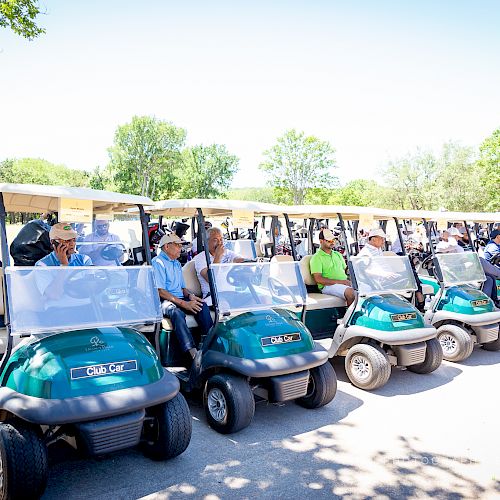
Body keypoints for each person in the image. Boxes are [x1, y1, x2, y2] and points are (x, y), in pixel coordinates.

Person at [152, 233, 213, 360]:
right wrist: (184, 303)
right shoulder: (158, 262)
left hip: (178, 298)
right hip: (163, 300)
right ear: (167, 247)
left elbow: (182, 288)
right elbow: (160, 291)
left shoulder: (176, 263)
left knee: (202, 306)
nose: (181, 248)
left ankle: (209, 344)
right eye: (178, 245)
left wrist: (190, 296)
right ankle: (191, 352)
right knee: (176, 313)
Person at [194, 227, 245, 303]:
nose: (219, 243)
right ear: (206, 242)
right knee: (225, 304)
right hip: (213, 296)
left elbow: (240, 260)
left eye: (221, 239)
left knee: (262, 299)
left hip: (231, 294)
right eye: (215, 240)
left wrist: (252, 261)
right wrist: (218, 256)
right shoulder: (200, 258)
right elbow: (210, 279)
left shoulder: (227, 253)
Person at [310, 229, 355, 306]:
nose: (332, 242)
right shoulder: (316, 257)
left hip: (343, 284)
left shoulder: (337, 254)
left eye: (333, 240)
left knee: (366, 289)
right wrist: (342, 282)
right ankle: (351, 317)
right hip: (327, 286)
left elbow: (345, 270)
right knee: (351, 293)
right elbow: (318, 279)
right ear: (321, 241)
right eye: (329, 241)